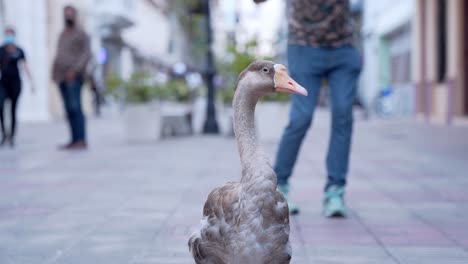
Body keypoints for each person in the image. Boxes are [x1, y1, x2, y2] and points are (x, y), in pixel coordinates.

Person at [254, 0, 361, 217]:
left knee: (343, 114)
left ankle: (335, 191)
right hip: (304, 47)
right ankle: (279, 187)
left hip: (343, 47)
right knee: (301, 117)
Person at [52, 5, 91, 150]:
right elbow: (59, 55)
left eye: (70, 14)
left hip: (74, 77)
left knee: (76, 107)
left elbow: (86, 54)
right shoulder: (63, 34)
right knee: (68, 109)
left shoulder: (81, 34)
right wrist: (54, 74)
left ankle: (81, 139)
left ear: (75, 16)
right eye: (65, 14)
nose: (68, 16)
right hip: (61, 77)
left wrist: (75, 70)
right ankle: (74, 139)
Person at [0, 27, 34, 147]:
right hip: (3, 83)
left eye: (11, 35)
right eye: (7, 34)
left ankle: (12, 135)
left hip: (15, 83)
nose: (9, 37)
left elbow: (25, 66)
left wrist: (31, 82)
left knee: (13, 109)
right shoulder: (1, 50)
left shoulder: (19, 51)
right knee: (1, 108)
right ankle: (4, 133)